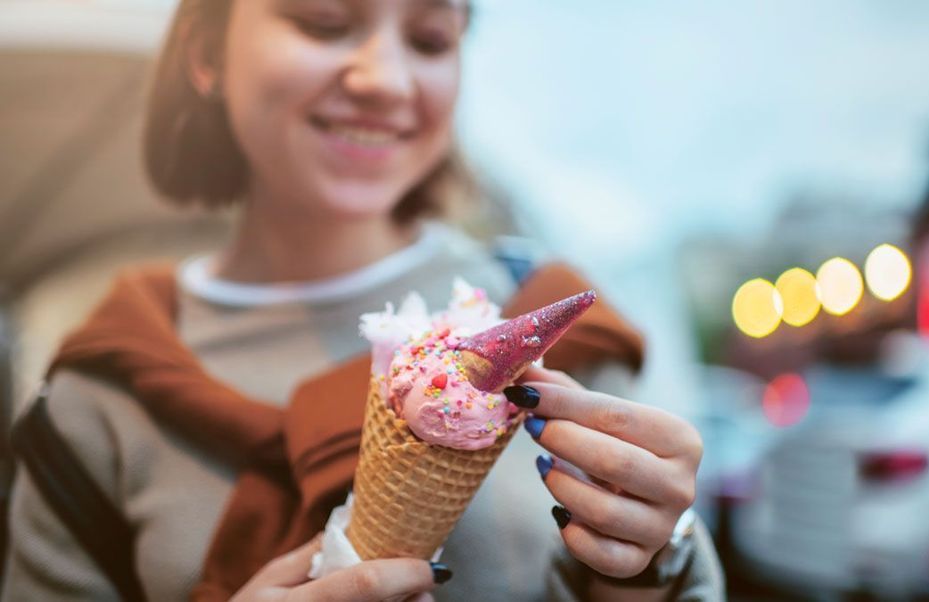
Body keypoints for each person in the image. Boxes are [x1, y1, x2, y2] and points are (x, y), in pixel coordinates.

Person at [2, 1, 724, 600]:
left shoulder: (556, 323)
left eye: (430, 39)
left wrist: (661, 558)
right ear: (207, 54)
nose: (386, 78)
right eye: (322, 22)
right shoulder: (93, 399)